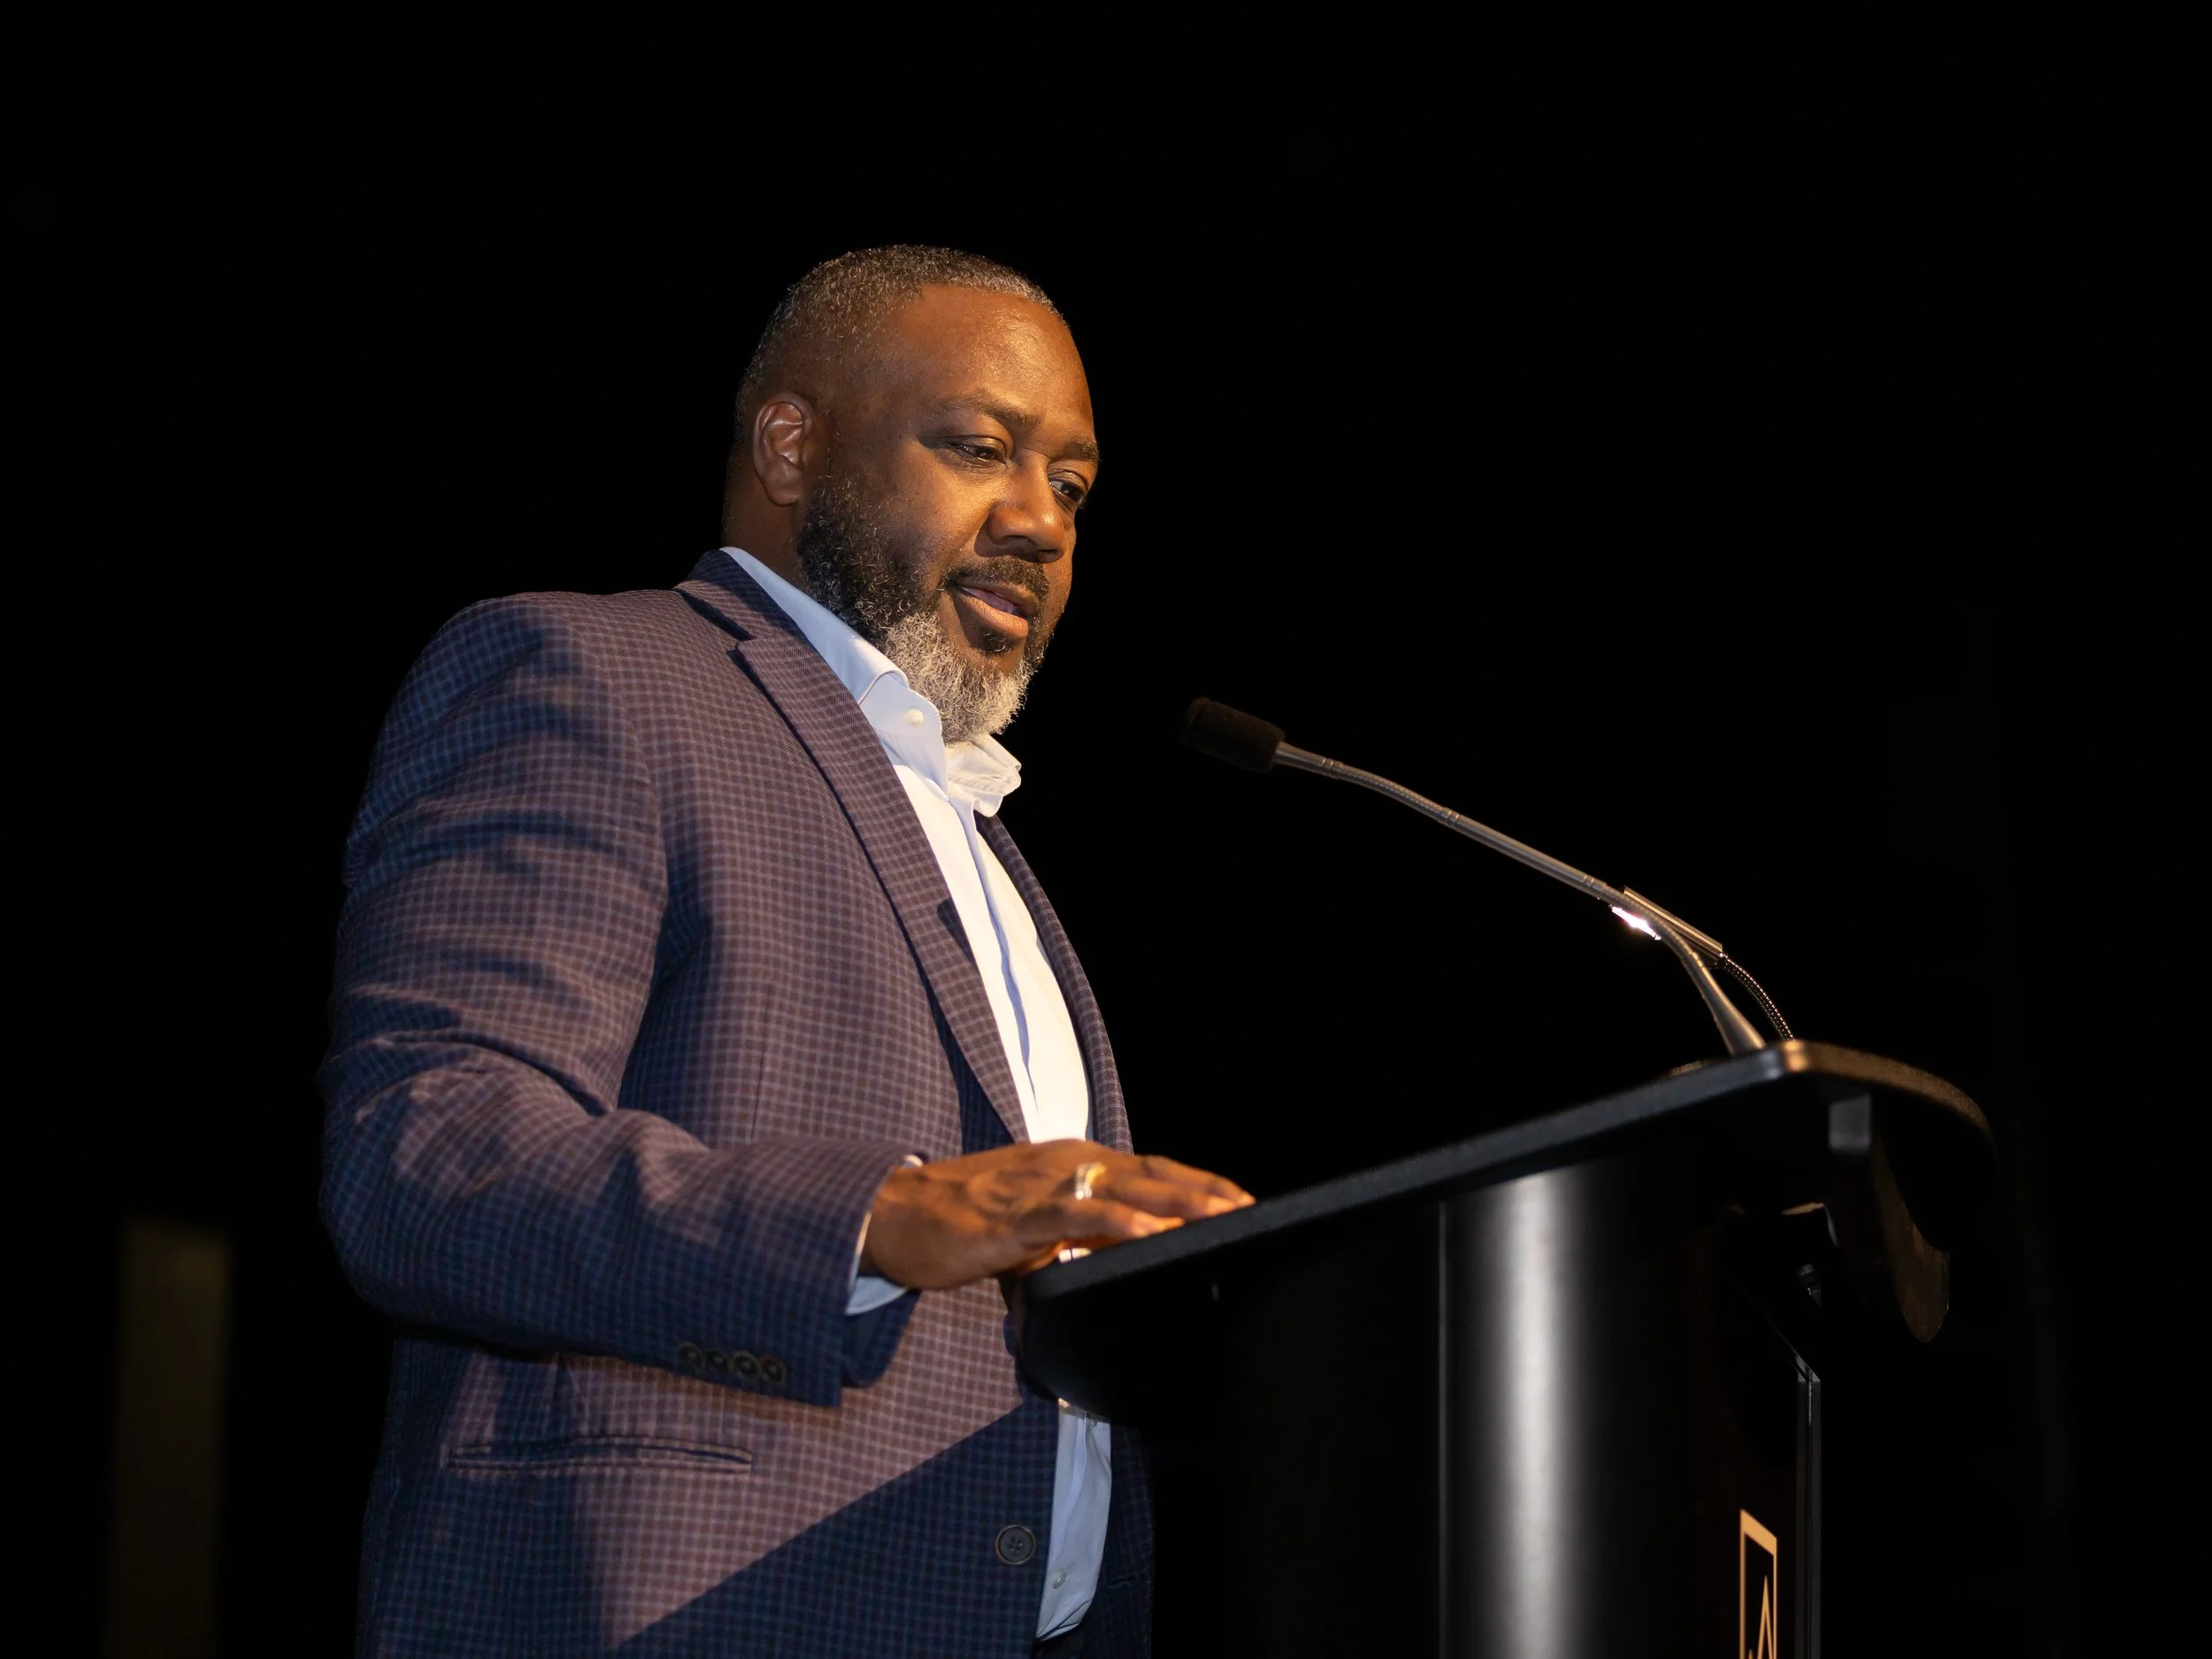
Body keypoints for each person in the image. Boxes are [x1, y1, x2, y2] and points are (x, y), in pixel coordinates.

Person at [319, 245, 1251, 1658]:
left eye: (1071, 484)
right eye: (981, 447)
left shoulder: (987, 845)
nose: (1041, 521)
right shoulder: (596, 678)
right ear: (793, 442)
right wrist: (874, 1219)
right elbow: (428, 1152)